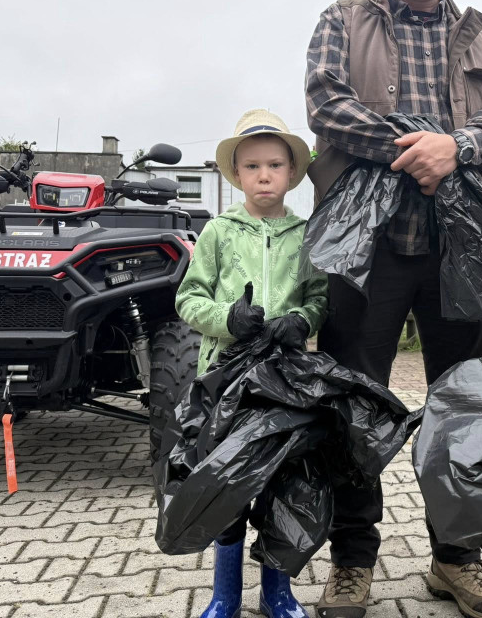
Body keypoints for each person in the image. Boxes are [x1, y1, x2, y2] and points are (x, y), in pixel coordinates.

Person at [305, 0, 482, 618]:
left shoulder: (481, 36)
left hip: (459, 250)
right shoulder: (342, 18)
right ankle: (352, 560)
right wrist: (416, 147)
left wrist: (455, 146)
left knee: (465, 403)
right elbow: (327, 106)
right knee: (354, 402)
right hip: (367, 250)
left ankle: (456, 558)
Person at [175, 109, 328, 618]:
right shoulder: (218, 232)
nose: (265, 175)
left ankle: (277, 592)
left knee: (284, 483)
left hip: (285, 383)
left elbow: (319, 296)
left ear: (292, 173)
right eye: (253, 166)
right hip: (225, 383)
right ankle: (224, 595)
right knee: (227, 485)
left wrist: (302, 322)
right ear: (236, 175)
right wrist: (227, 318)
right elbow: (188, 299)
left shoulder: (307, 235)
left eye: (276, 165)